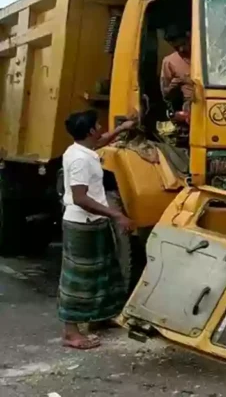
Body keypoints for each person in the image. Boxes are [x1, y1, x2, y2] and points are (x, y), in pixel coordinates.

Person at [58, 110, 136, 350]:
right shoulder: (81, 160)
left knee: (102, 271)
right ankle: (71, 332)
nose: (101, 126)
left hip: (92, 222)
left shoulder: (81, 149)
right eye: (98, 125)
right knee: (79, 280)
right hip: (82, 223)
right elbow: (80, 198)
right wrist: (117, 214)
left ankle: (99, 319)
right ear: (91, 130)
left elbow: (102, 141)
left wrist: (123, 129)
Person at [160, 24, 195, 115]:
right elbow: (166, 94)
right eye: (176, 47)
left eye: (183, 44)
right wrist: (174, 85)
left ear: (190, 37)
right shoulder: (169, 62)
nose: (181, 49)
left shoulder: (207, 57)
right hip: (188, 108)